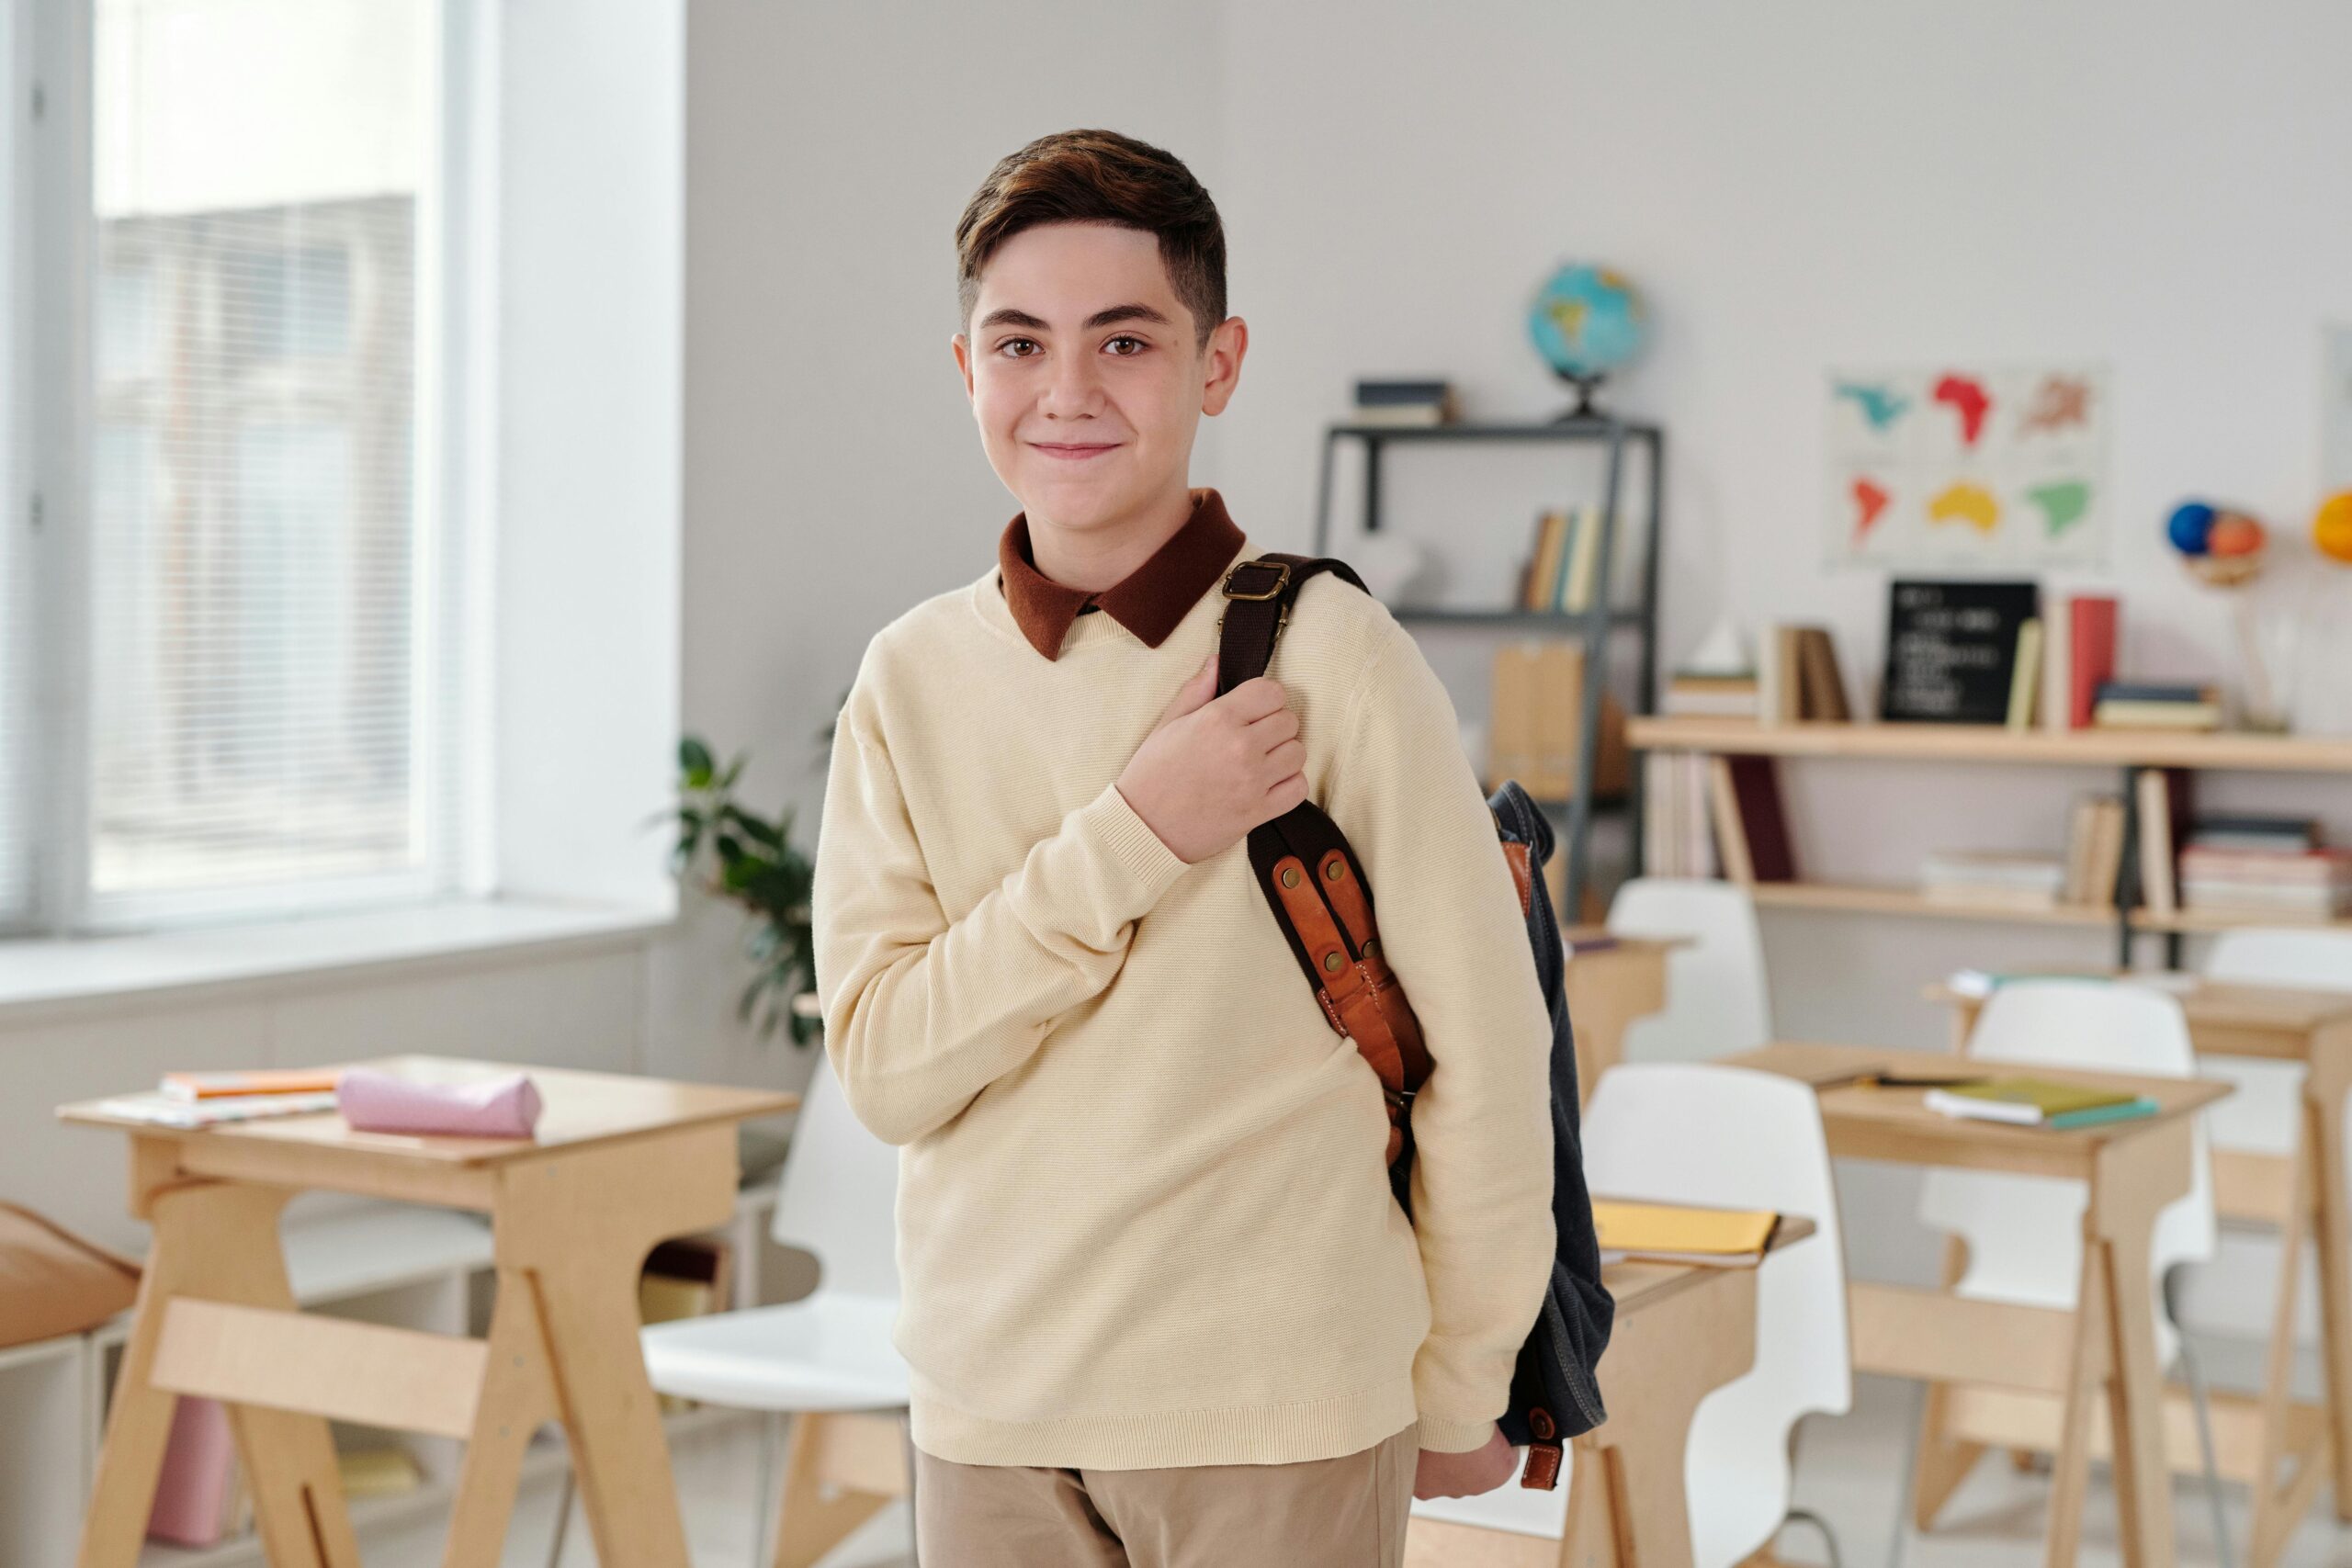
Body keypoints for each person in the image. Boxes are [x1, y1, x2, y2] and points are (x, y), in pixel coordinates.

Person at [810, 127, 1555, 1567]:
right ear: (966, 369)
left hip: (1278, 1408)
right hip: (991, 1414)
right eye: (1019, 344)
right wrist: (1141, 832)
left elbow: (1486, 1048)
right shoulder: (906, 678)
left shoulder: (1337, 657)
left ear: (1217, 366)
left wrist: (1464, 1375)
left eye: (1127, 341)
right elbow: (891, 1070)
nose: (1068, 391)